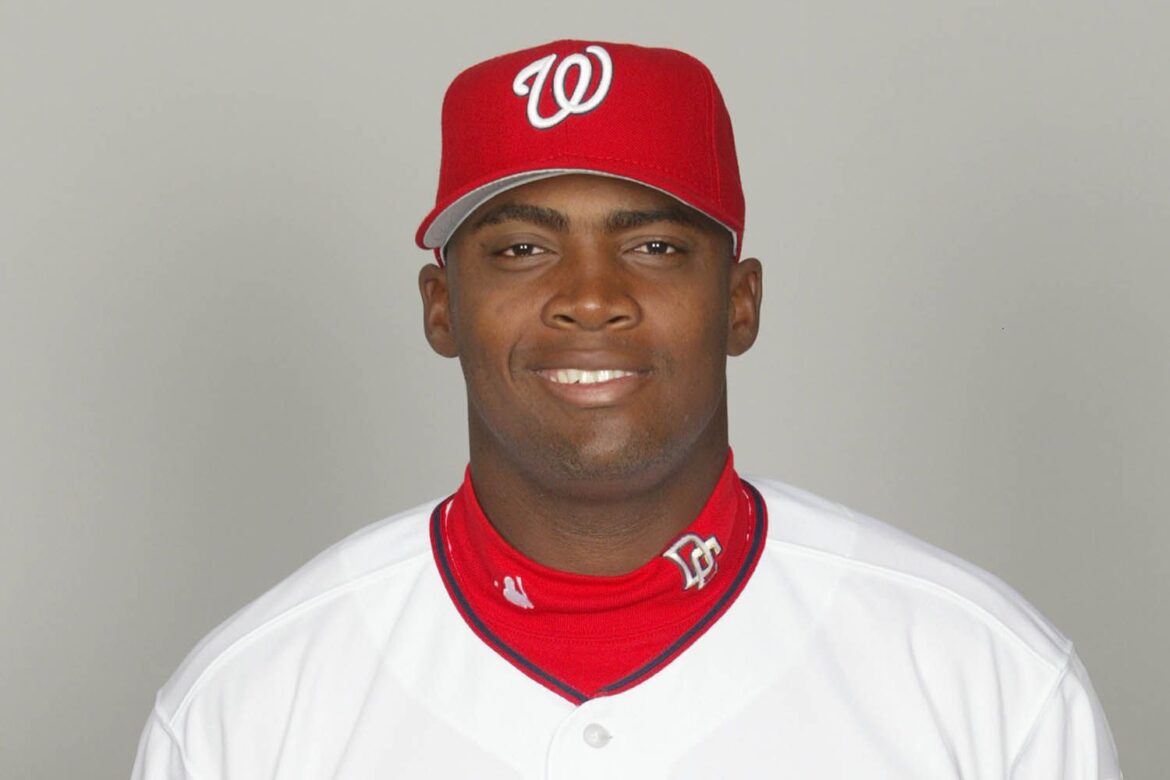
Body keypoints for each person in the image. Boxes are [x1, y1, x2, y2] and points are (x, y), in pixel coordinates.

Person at [131, 40, 1122, 779]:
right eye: (522, 248)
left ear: (740, 303)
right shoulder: (248, 707)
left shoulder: (984, 679)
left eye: (654, 247)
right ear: (441, 307)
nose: (591, 296)